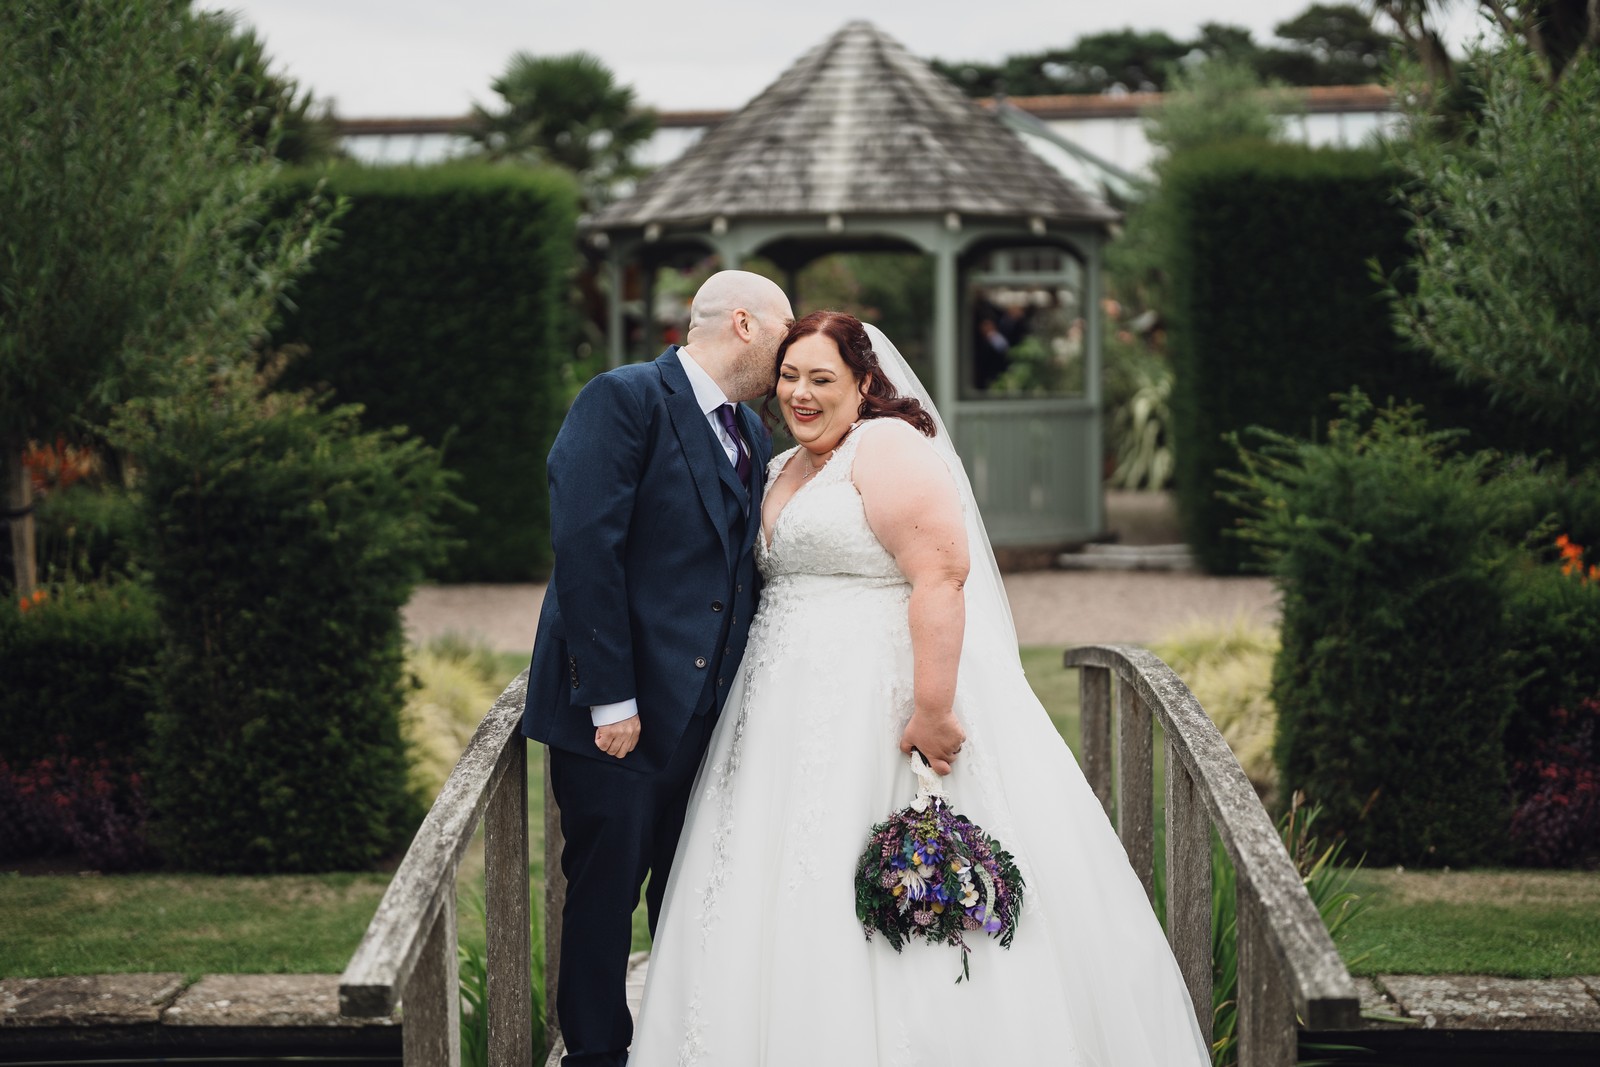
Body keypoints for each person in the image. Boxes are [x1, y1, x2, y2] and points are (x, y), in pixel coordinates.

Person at [628, 311, 1210, 1066]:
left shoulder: (888, 446)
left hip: (881, 701)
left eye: (822, 379)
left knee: (898, 883)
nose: (801, 394)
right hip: (779, 715)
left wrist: (932, 707)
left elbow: (941, 575)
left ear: (864, 382)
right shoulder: (780, 466)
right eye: (790, 377)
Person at [521, 270, 795, 1067]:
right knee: (605, 893)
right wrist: (611, 699)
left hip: (704, 716)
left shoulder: (751, 428)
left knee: (692, 890)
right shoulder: (625, 397)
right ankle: (596, 1054)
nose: (789, 354)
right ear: (744, 323)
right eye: (783, 332)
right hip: (621, 716)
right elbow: (585, 547)